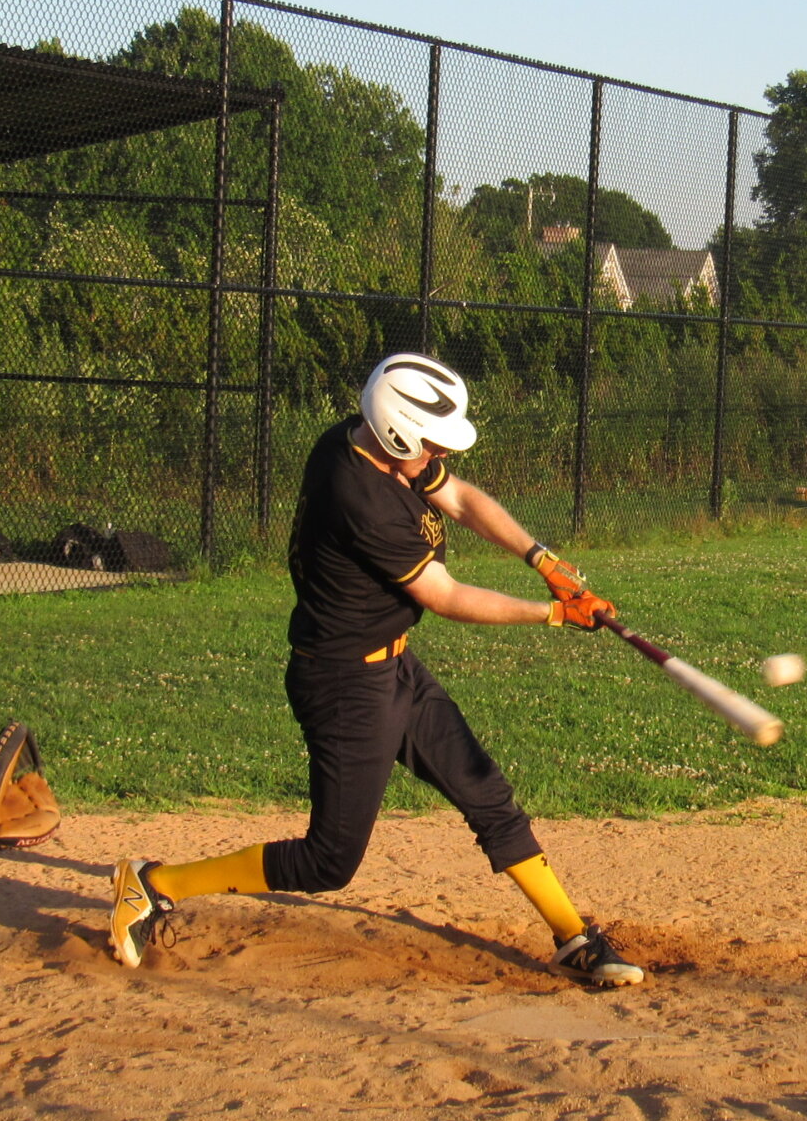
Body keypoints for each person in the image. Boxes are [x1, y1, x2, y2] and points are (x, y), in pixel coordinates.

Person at [108, 353, 646, 989]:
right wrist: (552, 615)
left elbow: (463, 500)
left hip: (394, 667)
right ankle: (152, 883)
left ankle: (572, 938)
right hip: (343, 685)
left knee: (487, 794)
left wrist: (541, 558)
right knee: (328, 861)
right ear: (396, 435)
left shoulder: (364, 441)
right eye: (430, 446)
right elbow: (444, 597)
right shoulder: (361, 496)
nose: (439, 457)